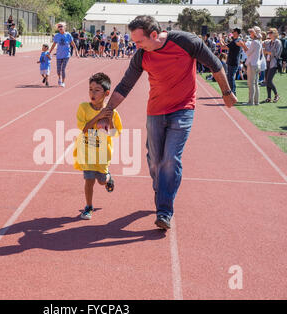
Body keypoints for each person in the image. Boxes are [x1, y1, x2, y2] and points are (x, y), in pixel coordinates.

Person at [100, 15, 236, 230]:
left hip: (183, 110)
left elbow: (215, 64)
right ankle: (161, 187)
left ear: (154, 35)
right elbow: (125, 85)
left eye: (139, 41)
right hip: (155, 111)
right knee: (155, 161)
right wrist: (107, 111)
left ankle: (164, 210)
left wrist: (226, 92)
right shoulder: (141, 56)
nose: (136, 46)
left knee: (171, 159)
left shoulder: (186, 42)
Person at [74, 73, 122, 220]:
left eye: (96, 90)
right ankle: (88, 207)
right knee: (89, 180)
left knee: (101, 181)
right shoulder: (83, 107)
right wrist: (99, 116)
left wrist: (109, 118)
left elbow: (114, 133)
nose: (92, 93)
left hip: (102, 154)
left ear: (106, 93)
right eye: (90, 89)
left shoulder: (112, 112)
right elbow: (84, 129)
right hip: (86, 151)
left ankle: (108, 178)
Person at [49, 22, 79, 87]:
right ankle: (59, 78)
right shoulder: (57, 36)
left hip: (66, 55)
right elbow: (54, 45)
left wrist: (76, 50)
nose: (60, 28)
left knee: (63, 69)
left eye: (61, 26)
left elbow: (72, 43)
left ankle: (63, 82)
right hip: (59, 55)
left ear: (64, 27)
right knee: (58, 70)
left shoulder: (68, 35)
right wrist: (49, 52)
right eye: (59, 27)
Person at [239, 26, 263, 106]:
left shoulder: (255, 42)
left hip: (252, 65)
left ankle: (251, 102)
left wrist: (243, 46)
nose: (250, 34)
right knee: (255, 84)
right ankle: (256, 101)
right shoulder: (258, 41)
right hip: (256, 64)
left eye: (251, 32)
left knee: (251, 84)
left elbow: (248, 53)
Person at [220, 28, 242, 96]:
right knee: (230, 77)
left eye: (234, 31)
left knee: (231, 78)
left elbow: (223, 47)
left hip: (233, 61)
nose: (232, 32)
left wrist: (220, 39)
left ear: (237, 33)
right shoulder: (235, 41)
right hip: (232, 61)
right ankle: (231, 92)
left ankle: (232, 93)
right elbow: (226, 46)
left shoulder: (237, 41)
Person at [263, 28, 282, 103]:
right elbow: (263, 47)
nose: (269, 33)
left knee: (269, 80)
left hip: (274, 63)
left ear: (275, 33)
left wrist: (267, 52)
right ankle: (269, 97)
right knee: (267, 81)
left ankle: (276, 95)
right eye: (268, 32)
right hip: (267, 62)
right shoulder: (268, 42)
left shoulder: (278, 42)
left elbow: (276, 53)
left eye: (271, 32)